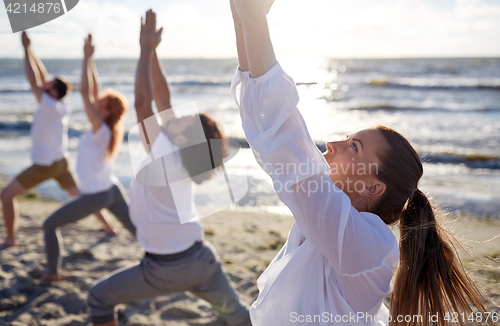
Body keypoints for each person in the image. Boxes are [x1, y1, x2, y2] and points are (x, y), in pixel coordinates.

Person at [229, 1, 494, 325]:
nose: (333, 144)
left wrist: (253, 18)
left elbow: (290, 150)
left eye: (352, 146)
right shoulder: (327, 224)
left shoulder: (370, 244)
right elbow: (262, 114)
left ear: (372, 186)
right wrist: (243, 16)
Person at [87, 10, 251, 326]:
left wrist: (145, 50)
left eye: (183, 122)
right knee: (239, 317)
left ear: (186, 137)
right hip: (203, 261)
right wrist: (155, 51)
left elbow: (144, 103)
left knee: (98, 297)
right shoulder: (184, 156)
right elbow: (164, 99)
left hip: (164, 269)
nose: (174, 118)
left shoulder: (165, 152)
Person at [0, 32, 115, 250]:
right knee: (83, 198)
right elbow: (42, 78)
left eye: (50, 85)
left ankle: (10, 239)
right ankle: (109, 226)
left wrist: (24, 49)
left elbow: (33, 79)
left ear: (54, 92)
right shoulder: (60, 105)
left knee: (6, 196)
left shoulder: (48, 104)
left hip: (44, 166)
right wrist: (31, 48)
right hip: (61, 162)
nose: (45, 85)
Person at [41, 34, 137, 282]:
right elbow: (92, 90)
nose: (97, 100)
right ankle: (167, 258)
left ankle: (52, 273)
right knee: (139, 233)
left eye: (102, 101)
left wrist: (85, 57)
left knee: (50, 225)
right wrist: (91, 58)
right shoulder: (109, 128)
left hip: (97, 195)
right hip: (111, 188)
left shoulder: (100, 128)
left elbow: (84, 91)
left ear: (105, 110)